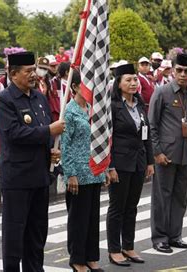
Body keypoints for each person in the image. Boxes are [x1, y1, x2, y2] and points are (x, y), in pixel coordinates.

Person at [0, 52, 65, 272]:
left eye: (34, 70)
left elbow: (41, 133)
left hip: (40, 176)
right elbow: (14, 133)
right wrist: (48, 131)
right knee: (15, 235)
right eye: (28, 71)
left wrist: (50, 153)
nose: (34, 75)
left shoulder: (39, 97)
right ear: (13, 74)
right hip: (18, 179)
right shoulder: (4, 99)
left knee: (37, 233)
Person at [149, 53, 187, 253]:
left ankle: (175, 236)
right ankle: (160, 237)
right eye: (179, 70)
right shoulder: (162, 92)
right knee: (162, 196)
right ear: (172, 70)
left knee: (181, 197)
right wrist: (156, 152)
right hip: (166, 154)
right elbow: (152, 125)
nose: (182, 74)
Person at [106, 64, 154, 266]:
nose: (133, 83)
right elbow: (107, 138)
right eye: (128, 80)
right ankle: (114, 249)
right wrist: (110, 166)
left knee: (132, 206)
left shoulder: (140, 103)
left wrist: (150, 161)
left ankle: (128, 245)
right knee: (117, 207)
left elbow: (147, 134)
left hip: (138, 163)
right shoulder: (113, 107)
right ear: (118, 84)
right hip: (120, 163)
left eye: (135, 79)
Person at [61, 70, 106, 272]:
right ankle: (77, 259)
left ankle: (91, 256)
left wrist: (103, 169)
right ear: (76, 86)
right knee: (78, 219)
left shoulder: (92, 109)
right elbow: (65, 145)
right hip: (77, 173)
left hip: (94, 171)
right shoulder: (69, 111)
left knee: (92, 218)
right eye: (86, 84)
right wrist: (69, 173)